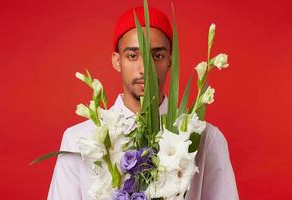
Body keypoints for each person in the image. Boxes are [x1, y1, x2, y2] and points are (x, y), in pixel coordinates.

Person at [48, 6, 239, 200]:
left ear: (170, 60)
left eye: (157, 56)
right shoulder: (80, 140)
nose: (145, 68)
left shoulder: (206, 139)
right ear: (117, 61)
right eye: (132, 56)